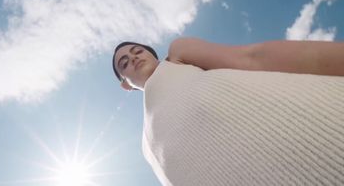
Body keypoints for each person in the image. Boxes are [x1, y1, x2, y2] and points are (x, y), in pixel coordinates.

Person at [112, 37, 344, 186]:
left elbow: (254, 58)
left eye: (137, 51)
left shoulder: (177, 56)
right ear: (125, 84)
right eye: (124, 62)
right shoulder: (146, 148)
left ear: (151, 53)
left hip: (323, 134)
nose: (133, 57)